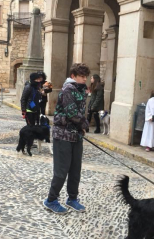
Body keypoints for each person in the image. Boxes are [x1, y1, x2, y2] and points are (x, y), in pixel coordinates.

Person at [43, 63, 90, 214]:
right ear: (73, 76)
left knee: (75, 169)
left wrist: (81, 128)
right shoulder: (68, 89)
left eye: (85, 77)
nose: (84, 79)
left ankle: (72, 198)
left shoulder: (81, 90)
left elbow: (81, 112)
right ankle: (51, 200)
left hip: (76, 135)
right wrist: (85, 124)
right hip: (62, 135)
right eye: (82, 76)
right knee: (61, 171)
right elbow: (72, 113)